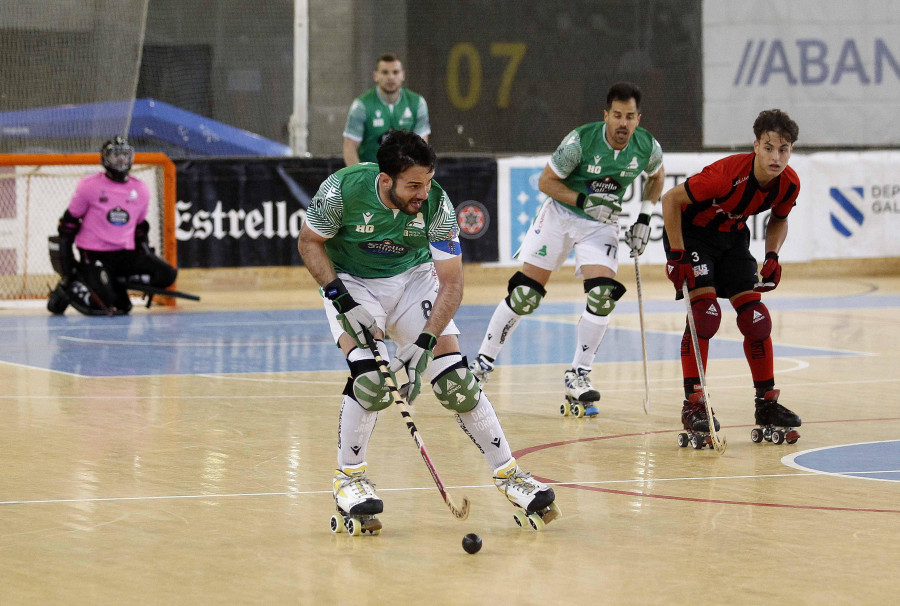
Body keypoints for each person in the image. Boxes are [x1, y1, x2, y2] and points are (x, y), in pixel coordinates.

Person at [298, 130, 559, 531]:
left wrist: (424, 344)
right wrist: (343, 302)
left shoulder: (437, 205)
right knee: (371, 381)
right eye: (413, 185)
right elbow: (309, 242)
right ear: (386, 180)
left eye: (428, 181)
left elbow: (451, 283)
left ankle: (510, 475)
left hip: (414, 279)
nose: (423, 192)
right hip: (351, 281)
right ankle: (349, 479)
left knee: (457, 383)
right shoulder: (342, 191)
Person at [468, 81, 665, 416]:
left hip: (600, 224)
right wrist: (584, 201)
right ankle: (482, 365)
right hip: (561, 216)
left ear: (638, 118)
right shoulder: (579, 142)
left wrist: (645, 217)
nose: (622, 123)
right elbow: (546, 182)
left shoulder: (647, 147)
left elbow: (657, 177)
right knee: (525, 295)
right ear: (606, 115)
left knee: (604, 295)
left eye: (629, 117)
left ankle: (579, 373)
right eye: (616, 115)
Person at [661, 109, 802, 440]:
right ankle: (693, 404)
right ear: (755, 146)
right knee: (705, 316)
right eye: (768, 148)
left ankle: (766, 402)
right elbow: (670, 200)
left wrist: (772, 255)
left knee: (757, 318)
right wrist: (677, 254)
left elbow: (779, 219)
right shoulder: (724, 176)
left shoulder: (789, 183)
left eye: (784, 149)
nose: (776, 157)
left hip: (731, 238)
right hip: (692, 234)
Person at [47, 136, 177, 316]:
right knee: (102, 305)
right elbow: (69, 222)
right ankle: (70, 286)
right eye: (116, 155)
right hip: (94, 253)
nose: (121, 159)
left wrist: (146, 255)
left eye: (125, 155)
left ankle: (115, 283)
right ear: (105, 158)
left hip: (124, 254)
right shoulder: (89, 185)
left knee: (167, 274)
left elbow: (140, 229)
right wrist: (68, 263)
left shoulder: (140, 190)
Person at [342, 53, 431, 166]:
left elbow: (422, 146)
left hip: (404, 175)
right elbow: (349, 146)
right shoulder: (361, 105)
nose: (390, 77)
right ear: (375, 76)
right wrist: (360, 178)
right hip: (371, 174)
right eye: (385, 72)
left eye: (395, 72)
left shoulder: (418, 103)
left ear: (402, 75)